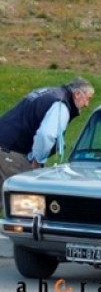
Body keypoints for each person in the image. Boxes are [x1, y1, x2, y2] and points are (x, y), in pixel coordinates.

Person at [0, 77, 94, 212]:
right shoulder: (61, 105)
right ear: (77, 94)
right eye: (87, 98)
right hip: (12, 152)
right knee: (25, 205)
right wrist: (37, 160)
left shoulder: (49, 92)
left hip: (4, 146)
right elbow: (46, 135)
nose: (87, 104)